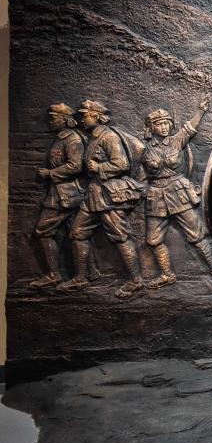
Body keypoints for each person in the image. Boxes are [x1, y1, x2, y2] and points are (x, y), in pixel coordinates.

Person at [60, 100, 147, 299]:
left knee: (121, 237)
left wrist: (98, 167)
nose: (82, 119)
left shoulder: (109, 137)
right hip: (94, 195)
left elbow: (122, 164)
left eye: (85, 115)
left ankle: (136, 281)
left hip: (109, 196)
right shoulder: (93, 136)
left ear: (96, 116)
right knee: (78, 233)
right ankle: (81, 277)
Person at [142, 97, 212, 290]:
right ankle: (167, 274)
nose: (164, 127)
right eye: (159, 124)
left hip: (178, 192)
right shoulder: (144, 148)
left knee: (197, 236)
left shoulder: (177, 140)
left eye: (166, 123)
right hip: (156, 195)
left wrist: (201, 110)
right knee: (153, 240)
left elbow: (190, 128)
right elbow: (140, 173)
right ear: (151, 127)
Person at [30, 103, 86, 287]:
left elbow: (75, 166)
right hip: (62, 192)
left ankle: (54, 275)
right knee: (75, 233)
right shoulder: (61, 138)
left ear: (64, 119)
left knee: (43, 231)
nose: (50, 122)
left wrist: (50, 173)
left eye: (53, 118)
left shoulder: (72, 139)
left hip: (65, 194)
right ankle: (89, 273)